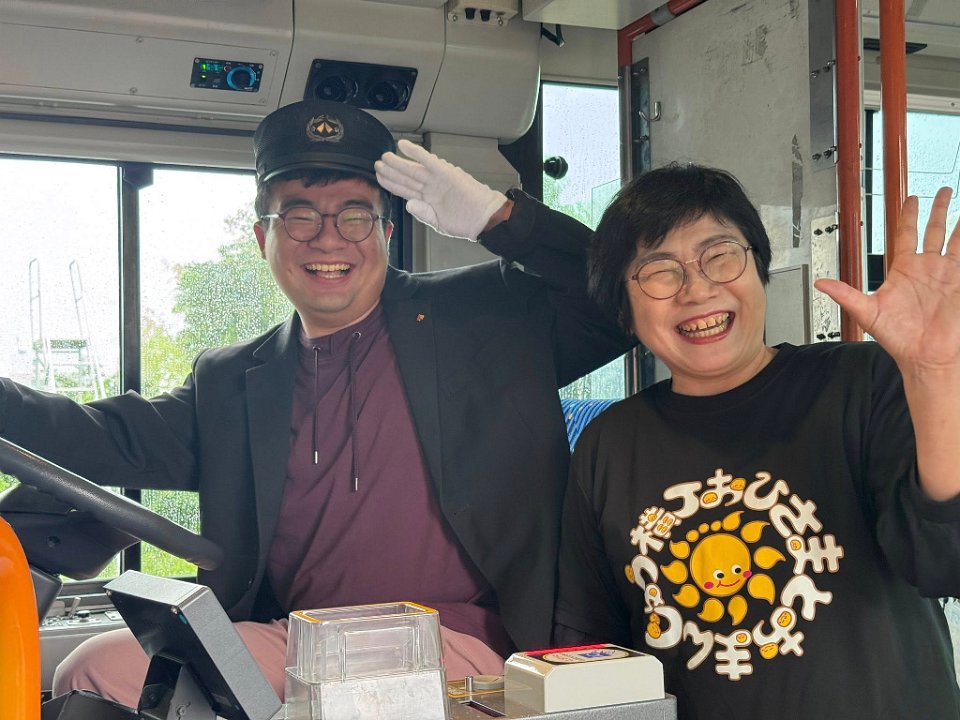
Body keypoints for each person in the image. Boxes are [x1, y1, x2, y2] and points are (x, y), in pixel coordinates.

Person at [0, 99, 633, 706]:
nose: (329, 241)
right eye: (300, 217)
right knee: (93, 669)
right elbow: (99, 437)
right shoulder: (231, 379)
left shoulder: (483, 317)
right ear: (262, 238)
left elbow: (623, 302)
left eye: (355, 217)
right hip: (304, 640)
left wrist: (501, 219)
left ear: (386, 231)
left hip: (466, 641)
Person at [554, 163, 960, 719]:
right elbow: (594, 650)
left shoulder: (863, 382)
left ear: (758, 266)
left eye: (720, 255)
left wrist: (936, 376)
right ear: (625, 313)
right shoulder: (608, 445)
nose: (698, 289)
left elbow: (944, 562)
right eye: (659, 272)